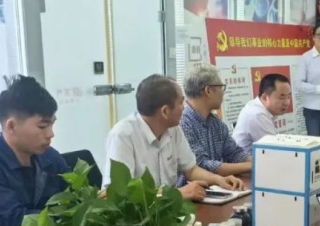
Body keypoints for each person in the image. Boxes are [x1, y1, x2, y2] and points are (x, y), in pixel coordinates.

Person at [103, 74, 244, 201]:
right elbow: (116, 194)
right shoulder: (123, 135)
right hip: (139, 218)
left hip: (168, 212)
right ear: (165, 111)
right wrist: (177, 194)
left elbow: (191, 170)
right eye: (181, 103)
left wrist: (218, 180)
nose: (184, 107)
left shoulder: (174, 130)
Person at [0, 76, 70, 226]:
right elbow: (16, 221)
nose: (50, 134)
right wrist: (72, 217)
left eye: (52, 124)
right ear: (12, 126)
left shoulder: (50, 157)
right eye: (42, 126)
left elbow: (75, 197)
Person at [180, 64, 251, 182]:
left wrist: (259, 162)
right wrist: (250, 166)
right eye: (221, 87)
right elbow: (202, 165)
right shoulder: (183, 123)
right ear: (208, 90)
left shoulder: (216, 122)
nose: (223, 93)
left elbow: (234, 153)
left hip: (217, 187)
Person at [232, 73, 293, 156]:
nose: (287, 102)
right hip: (247, 162)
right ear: (265, 97)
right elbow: (274, 151)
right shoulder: (257, 115)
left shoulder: (257, 106)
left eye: (289, 97)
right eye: (281, 97)